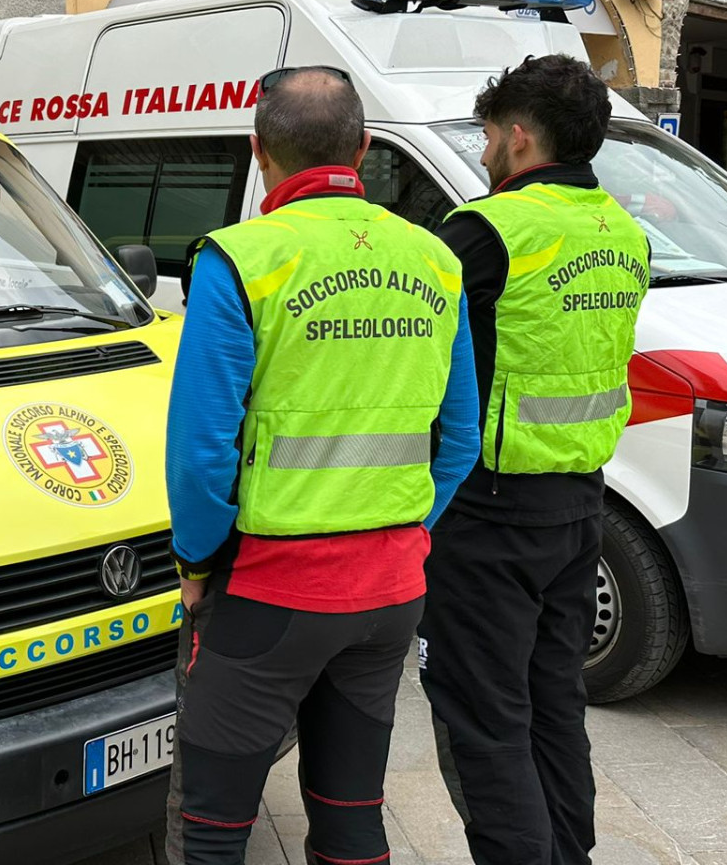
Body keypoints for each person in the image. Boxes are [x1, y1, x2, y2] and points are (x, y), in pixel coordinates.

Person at [164, 67, 480, 865]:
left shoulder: (241, 260)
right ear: (365, 149)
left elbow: (202, 451)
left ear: (258, 151)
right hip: (390, 596)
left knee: (212, 829)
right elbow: (461, 437)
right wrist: (404, 528)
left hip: (269, 595)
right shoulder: (436, 260)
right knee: (351, 814)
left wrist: (198, 563)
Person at [419, 55, 649, 865]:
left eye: (487, 136)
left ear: (519, 137)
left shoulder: (486, 232)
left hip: (488, 512)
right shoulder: (622, 229)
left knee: (483, 716)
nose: (483, 153)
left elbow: (418, 358)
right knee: (553, 705)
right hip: (581, 505)